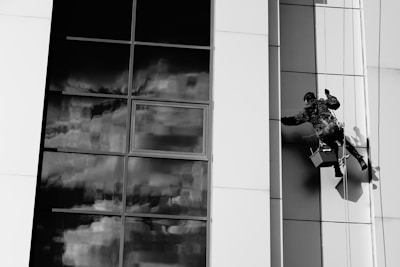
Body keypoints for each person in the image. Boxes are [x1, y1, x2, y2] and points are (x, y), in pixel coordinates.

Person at [281, 89, 367, 177]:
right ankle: (360, 159)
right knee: (344, 142)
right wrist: (328, 95)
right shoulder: (322, 102)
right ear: (314, 97)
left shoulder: (307, 111)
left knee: (334, 146)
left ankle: (337, 170)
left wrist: (282, 120)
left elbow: (295, 120)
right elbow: (335, 104)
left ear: (307, 100)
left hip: (323, 134)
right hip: (332, 128)